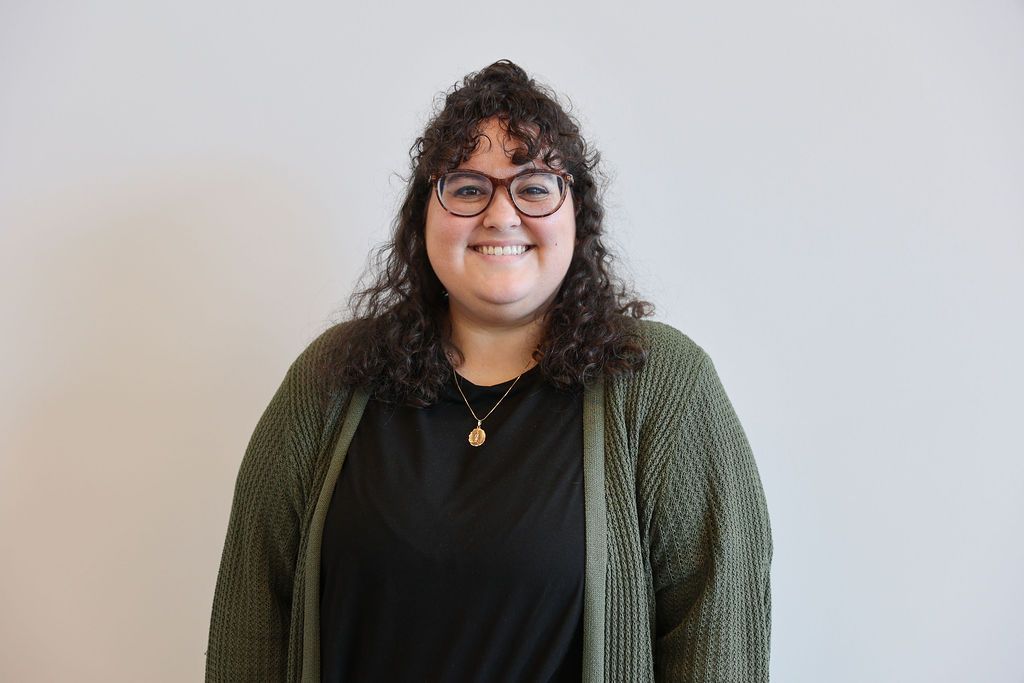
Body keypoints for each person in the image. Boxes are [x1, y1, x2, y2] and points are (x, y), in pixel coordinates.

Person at [205, 60, 772, 682]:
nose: (501, 216)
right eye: (469, 188)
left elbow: (718, 628)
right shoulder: (332, 379)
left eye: (533, 187)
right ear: (424, 214)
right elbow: (251, 615)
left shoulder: (660, 382)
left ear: (575, 215)